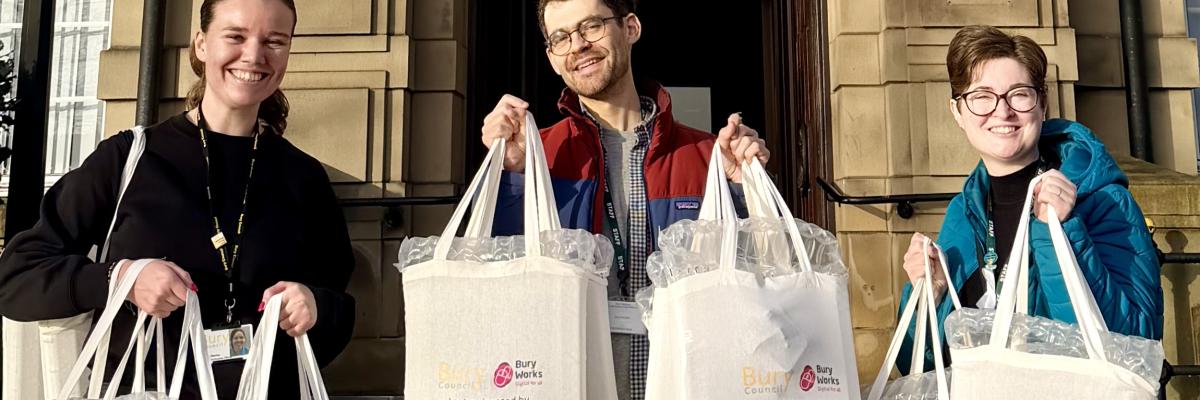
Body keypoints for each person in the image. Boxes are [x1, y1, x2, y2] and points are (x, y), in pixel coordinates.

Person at [0, 0, 356, 397]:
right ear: (202, 45)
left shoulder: (304, 177)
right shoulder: (129, 159)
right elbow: (16, 278)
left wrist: (315, 306)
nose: (254, 55)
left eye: (274, 41)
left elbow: (339, 309)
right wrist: (122, 279)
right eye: (235, 36)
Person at [480, 0, 770, 397]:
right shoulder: (534, 156)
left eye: (592, 26)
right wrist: (512, 175)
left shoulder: (708, 156)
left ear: (630, 28)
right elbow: (504, 283)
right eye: (562, 37)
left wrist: (742, 189)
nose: (578, 44)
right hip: (570, 384)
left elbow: (757, 278)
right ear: (552, 58)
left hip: (688, 383)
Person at [896, 25, 1163, 373]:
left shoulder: (1103, 200)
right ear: (958, 112)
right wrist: (926, 299)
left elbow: (1133, 346)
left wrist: (1064, 234)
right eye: (981, 97)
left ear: (1042, 103)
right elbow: (918, 366)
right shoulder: (963, 213)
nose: (1002, 111)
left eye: (1019, 94)